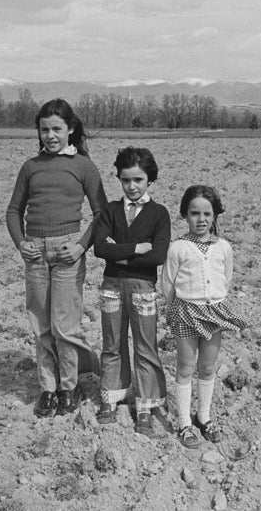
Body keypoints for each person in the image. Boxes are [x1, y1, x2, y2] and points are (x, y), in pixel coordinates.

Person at [6, 98, 107, 418]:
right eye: (44, 129)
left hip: (68, 253)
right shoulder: (30, 167)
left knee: (65, 326)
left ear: (71, 129)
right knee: (41, 325)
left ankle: (70, 385)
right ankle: (48, 388)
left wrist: (80, 247)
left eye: (57, 129)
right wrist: (21, 243)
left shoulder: (83, 167)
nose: (50, 135)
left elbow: (102, 214)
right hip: (35, 253)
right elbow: (13, 212)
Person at [161, 185, 248, 448]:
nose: (201, 219)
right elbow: (168, 283)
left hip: (213, 311)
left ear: (215, 216)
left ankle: (204, 416)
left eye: (207, 214)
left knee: (208, 366)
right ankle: (185, 422)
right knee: (186, 366)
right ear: (185, 216)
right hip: (186, 311)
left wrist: (213, 300)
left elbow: (226, 277)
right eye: (194, 213)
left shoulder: (223, 247)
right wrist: (179, 307)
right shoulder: (178, 247)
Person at [93, 147, 171, 436]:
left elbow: (158, 255)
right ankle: (111, 398)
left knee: (145, 346)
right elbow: (100, 248)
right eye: (126, 180)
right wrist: (136, 249)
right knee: (112, 344)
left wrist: (118, 252)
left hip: (143, 288)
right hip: (112, 287)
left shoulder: (159, 214)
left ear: (149, 179)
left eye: (138, 180)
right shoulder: (110, 211)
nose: (132, 186)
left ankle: (146, 406)